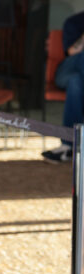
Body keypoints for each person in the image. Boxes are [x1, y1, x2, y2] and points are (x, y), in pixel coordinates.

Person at [42, 10, 84, 163]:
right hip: (67, 70)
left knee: (76, 83)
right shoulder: (74, 22)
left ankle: (68, 145)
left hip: (77, 79)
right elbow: (72, 52)